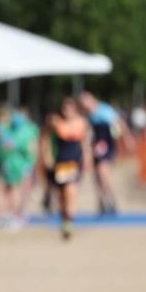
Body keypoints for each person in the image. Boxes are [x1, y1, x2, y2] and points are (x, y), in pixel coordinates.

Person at [79, 91, 131, 216]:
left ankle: (111, 199)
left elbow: (119, 124)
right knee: (97, 177)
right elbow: (88, 132)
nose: (86, 108)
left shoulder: (104, 110)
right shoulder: (88, 115)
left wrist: (127, 138)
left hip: (106, 146)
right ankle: (101, 201)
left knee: (103, 174)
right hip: (95, 147)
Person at [45, 97, 90, 240]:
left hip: (74, 162)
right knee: (62, 196)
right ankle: (65, 218)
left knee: (71, 192)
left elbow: (85, 143)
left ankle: (69, 221)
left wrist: (87, 160)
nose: (67, 111)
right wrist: (48, 157)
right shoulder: (56, 123)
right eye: (65, 108)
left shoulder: (82, 123)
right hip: (61, 162)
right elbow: (46, 139)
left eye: (70, 108)